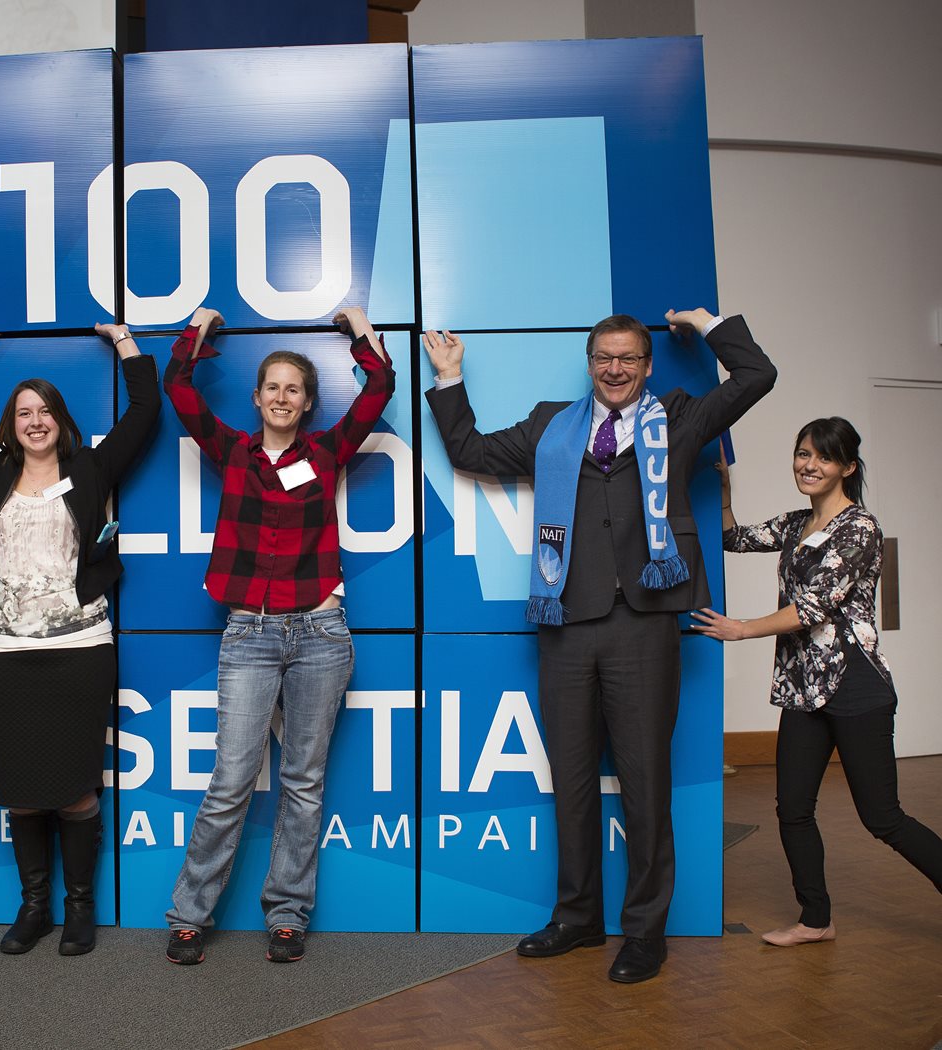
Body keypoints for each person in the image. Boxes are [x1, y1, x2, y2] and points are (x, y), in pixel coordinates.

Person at [423, 308, 775, 983]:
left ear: (646, 366)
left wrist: (708, 324)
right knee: (574, 782)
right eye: (604, 358)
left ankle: (645, 932)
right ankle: (577, 918)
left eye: (629, 359)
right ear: (590, 363)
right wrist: (450, 378)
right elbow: (469, 453)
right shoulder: (551, 426)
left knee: (645, 783)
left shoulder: (678, 418)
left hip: (645, 624)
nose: (615, 369)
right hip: (566, 625)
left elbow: (758, 374)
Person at [162, 305, 394, 966]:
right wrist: (198, 329)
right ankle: (189, 915)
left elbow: (379, 387)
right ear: (258, 397)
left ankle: (288, 914)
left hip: (321, 631)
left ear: (308, 402)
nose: (283, 397)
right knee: (231, 779)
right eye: (273, 388)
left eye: (295, 389)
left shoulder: (326, 452)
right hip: (249, 633)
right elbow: (178, 387)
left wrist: (357, 330)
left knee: (304, 780)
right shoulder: (231, 450)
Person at [0, 318, 160, 957]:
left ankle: (80, 907)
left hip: (81, 650)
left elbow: (145, 410)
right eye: (23, 412)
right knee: (19, 787)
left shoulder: (92, 468)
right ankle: (34, 906)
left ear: (60, 418)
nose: (34, 420)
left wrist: (123, 343)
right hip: (5, 652)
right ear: (11, 425)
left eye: (45, 410)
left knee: (76, 784)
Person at [691, 417, 942, 945]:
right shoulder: (796, 523)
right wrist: (725, 492)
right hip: (804, 690)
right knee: (793, 808)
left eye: (823, 457)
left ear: (847, 467)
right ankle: (815, 920)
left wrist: (742, 630)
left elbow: (812, 607)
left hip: (857, 687)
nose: (808, 465)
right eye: (803, 453)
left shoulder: (860, 529)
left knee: (883, 819)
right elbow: (734, 537)